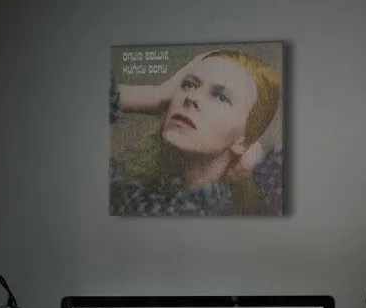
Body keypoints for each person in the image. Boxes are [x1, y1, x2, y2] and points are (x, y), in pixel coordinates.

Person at [110, 48, 283, 215]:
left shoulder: (256, 213)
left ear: (244, 141)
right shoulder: (120, 191)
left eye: (221, 97)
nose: (191, 98)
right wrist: (155, 94)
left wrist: (259, 167)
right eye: (189, 85)